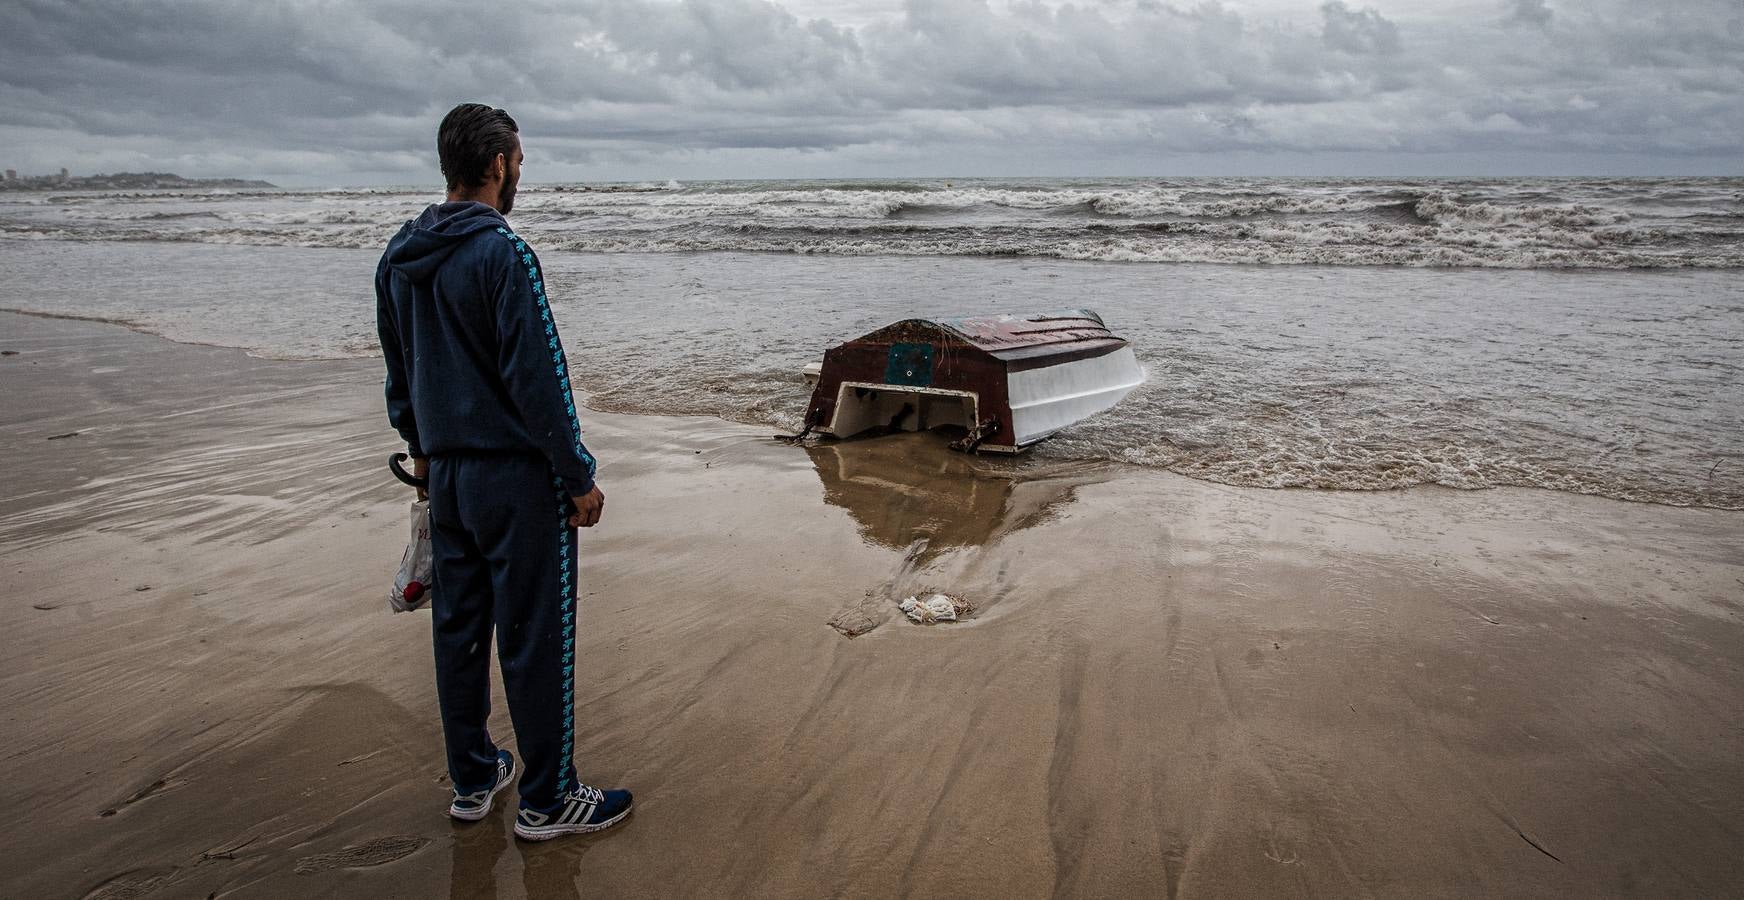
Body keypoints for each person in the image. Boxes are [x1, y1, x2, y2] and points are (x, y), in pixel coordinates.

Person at [375, 102, 631, 841]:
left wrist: (425, 458)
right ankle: (550, 800)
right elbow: (539, 379)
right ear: (495, 165)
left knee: (458, 630)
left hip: (447, 476)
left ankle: (474, 776)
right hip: (517, 481)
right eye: (518, 161)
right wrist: (577, 474)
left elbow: (401, 370)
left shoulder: (399, 254)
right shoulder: (503, 252)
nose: (520, 173)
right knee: (534, 635)